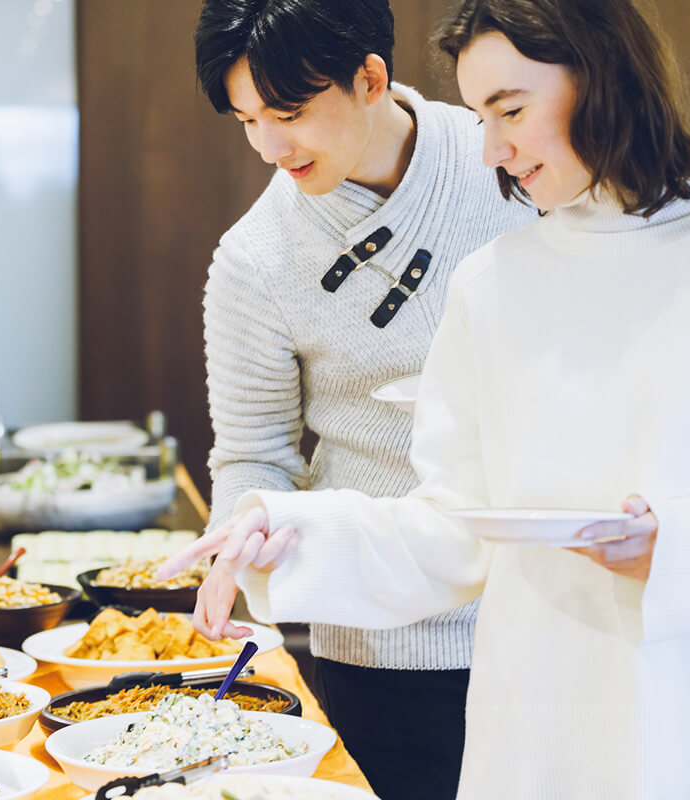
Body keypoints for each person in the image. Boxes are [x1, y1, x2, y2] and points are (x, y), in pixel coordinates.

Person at [163, 0, 690, 797]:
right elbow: (458, 526)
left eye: (510, 110)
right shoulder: (493, 283)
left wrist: (685, 546)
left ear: (601, 77)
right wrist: (290, 532)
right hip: (536, 724)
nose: (490, 148)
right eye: (482, 115)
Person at [190, 0, 533, 796]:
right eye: (248, 121)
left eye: (290, 113)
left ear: (370, 78)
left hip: (540, 618)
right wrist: (239, 539)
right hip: (377, 648)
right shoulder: (253, 260)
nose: (271, 148)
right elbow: (251, 455)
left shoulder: (506, 158)